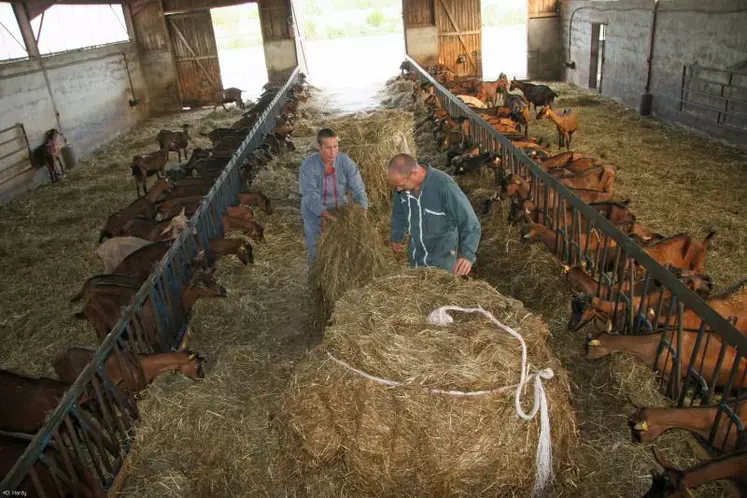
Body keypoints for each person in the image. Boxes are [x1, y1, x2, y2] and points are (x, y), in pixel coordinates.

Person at [387, 153, 481, 276]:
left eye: (401, 185)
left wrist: (467, 254)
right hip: (416, 258)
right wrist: (396, 237)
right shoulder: (402, 190)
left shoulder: (444, 186)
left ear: (414, 173)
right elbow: (399, 213)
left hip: (442, 261)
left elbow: (469, 221)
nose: (398, 189)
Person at [299, 128, 369, 264]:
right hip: (315, 214)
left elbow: (358, 188)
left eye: (335, 146)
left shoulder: (345, 162)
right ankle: (316, 279)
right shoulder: (309, 166)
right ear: (319, 148)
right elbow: (310, 195)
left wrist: (363, 208)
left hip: (339, 210)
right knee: (317, 250)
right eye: (328, 148)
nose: (333, 152)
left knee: (341, 249)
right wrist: (325, 215)